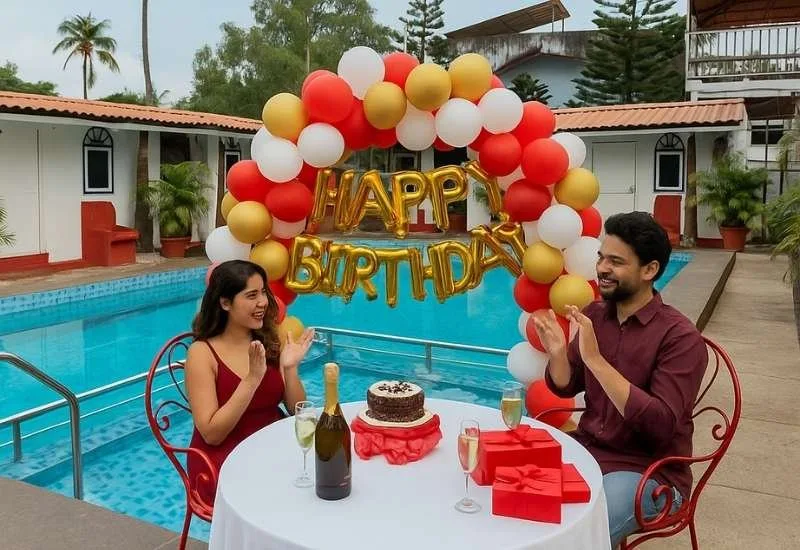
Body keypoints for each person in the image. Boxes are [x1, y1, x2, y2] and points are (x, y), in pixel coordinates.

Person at [533, 212, 708, 549]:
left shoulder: (680, 337)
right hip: (588, 452)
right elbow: (565, 386)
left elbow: (661, 424)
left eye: (616, 261)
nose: (601, 268)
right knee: (518, 496)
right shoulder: (597, 315)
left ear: (650, 270)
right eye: (601, 257)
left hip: (650, 473)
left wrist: (596, 360)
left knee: (582, 530)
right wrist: (557, 353)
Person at [185, 259, 314, 503]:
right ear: (225, 303)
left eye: (264, 292)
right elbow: (212, 434)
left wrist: (290, 368)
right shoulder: (202, 353)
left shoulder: (264, 339)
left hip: (271, 448)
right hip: (224, 461)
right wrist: (251, 380)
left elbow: (296, 410)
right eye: (251, 295)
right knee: (293, 497)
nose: (263, 302)